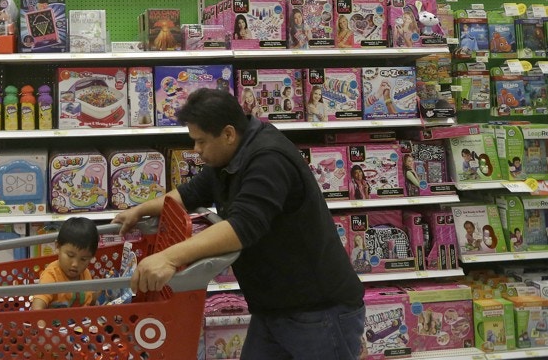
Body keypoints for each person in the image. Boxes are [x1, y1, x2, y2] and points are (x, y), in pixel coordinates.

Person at [112, 88, 364, 359]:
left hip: (318, 312)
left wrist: (169, 258)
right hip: (273, 308)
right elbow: (189, 194)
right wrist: (139, 211)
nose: (196, 150)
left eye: (201, 142)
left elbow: (241, 228)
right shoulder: (230, 155)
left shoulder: (268, 159)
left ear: (228, 134)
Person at [31, 216, 99, 310]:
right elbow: (37, 307)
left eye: (83, 259)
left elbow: (91, 301)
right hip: (54, 323)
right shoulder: (51, 275)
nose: (75, 264)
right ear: (58, 247)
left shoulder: (85, 273)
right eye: (70, 255)